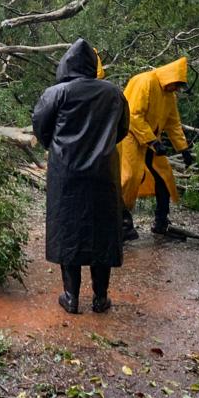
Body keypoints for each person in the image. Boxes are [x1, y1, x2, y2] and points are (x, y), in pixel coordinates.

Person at [33, 39, 130, 315]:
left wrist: (57, 147)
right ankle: (101, 298)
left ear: (66, 64)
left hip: (66, 173)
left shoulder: (56, 93)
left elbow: (40, 126)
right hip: (104, 173)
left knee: (68, 231)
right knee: (103, 232)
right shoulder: (114, 93)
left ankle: (71, 297)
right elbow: (123, 129)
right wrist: (102, 149)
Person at [118, 57, 194, 239]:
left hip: (150, 139)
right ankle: (120, 223)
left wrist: (183, 149)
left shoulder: (169, 95)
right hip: (129, 135)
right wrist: (152, 141)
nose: (176, 89)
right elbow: (133, 116)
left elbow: (173, 123)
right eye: (176, 85)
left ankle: (161, 222)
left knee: (164, 176)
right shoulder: (145, 82)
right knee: (129, 177)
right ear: (170, 78)